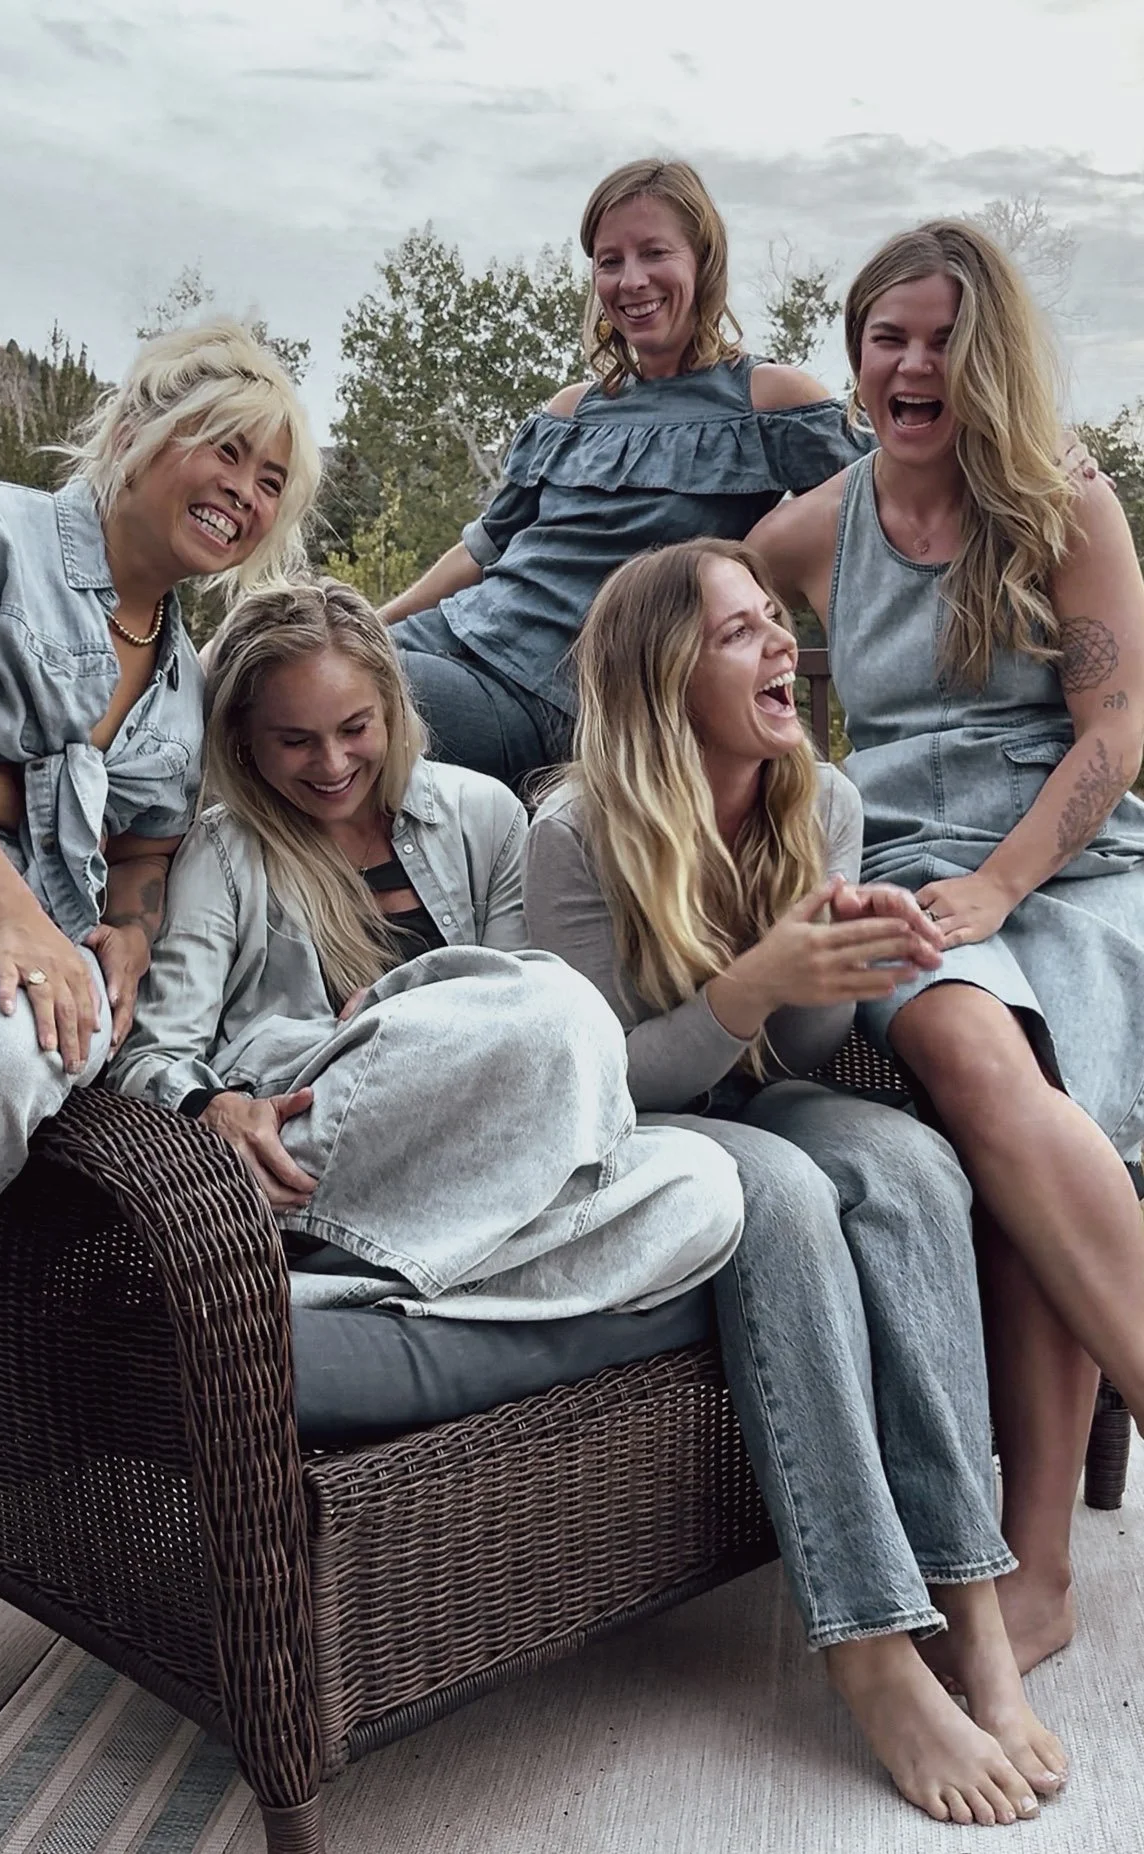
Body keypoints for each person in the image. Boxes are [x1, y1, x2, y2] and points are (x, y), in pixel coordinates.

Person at [524, 535, 1066, 1825]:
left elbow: (800, 1058)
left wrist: (844, 976)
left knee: (910, 1162)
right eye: (742, 630)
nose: (784, 646)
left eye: (779, 620)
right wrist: (757, 980)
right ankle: (872, 1648)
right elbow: (595, 1086)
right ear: (665, 672)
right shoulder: (573, 833)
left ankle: (972, 1611)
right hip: (628, 1131)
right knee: (779, 1196)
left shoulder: (816, 799)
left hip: (756, 1093)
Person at [748, 220, 1144, 1678]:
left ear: (988, 359)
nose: (913, 364)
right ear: (856, 358)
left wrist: (1007, 881)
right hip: (905, 871)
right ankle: (1034, 1559)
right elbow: (701, 631)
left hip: (1075, 861)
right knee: (987, 1057)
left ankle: (1036, 1574)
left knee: (1056, 1102)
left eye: (942, 338)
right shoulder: (817, 526)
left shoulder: (1063, 502)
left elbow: (1115, 731)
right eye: (886, 339)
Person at [0, 319, 322, 1349]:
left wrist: (132, 932)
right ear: (139, 429)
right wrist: (17, 911)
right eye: (225, 449)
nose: (245, 491)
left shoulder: (188, 688)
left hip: (5, 948)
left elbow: (143, 849)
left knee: (15, 1047)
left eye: (271, 480)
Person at [109, 578, 744, 1319]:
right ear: (244, 740)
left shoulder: (484, 816)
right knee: (566, 1004)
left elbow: (525, 1032)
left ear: (392, 709)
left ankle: (388, 1294)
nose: (332, 763)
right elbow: (148, 1057)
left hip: (479, 1155)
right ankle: (427, 1265)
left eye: (355, 729)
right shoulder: (222, 853)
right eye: (295, 741)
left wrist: (413, 1002)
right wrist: (211, 1105)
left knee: (704, 1186)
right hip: (314, 1151)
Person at [379, 157, 872, 787]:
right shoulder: (571, 410)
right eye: (610, 261)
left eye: (654, 253)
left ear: (703, 260)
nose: (632, 280)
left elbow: (879, 510)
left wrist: (758, 560)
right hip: (450, 637)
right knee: (282, 658)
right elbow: (483, 550)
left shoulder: (767, 402)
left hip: (557, 697)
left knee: (329, 697)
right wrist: (367, 621)